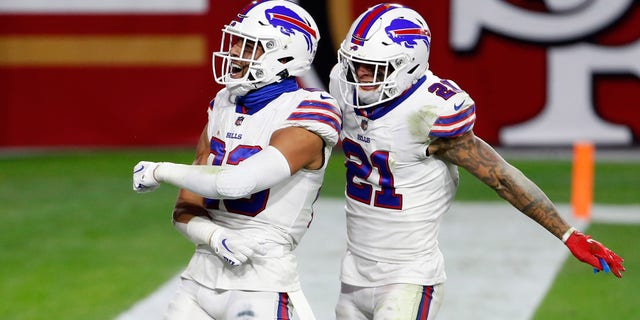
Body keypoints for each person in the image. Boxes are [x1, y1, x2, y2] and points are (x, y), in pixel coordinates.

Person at [328, 3, 625, 319]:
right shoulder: (343, 85)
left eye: (374, 68)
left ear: (408, 65)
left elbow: (500, 176)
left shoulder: (428, 111)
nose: (360, 75)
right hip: (353, 274)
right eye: (357, 64)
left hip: (407, 277)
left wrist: (567, 234)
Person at [132, 1, 341, 319]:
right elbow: (184, 210)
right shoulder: (224, 104)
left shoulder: (310, 111)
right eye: (235, 40)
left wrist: (160, 170)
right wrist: (215, 237)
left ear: (284, 55)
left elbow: (235, 183)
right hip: (198, 280)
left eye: (249, 45)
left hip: (261, 282)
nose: (234, 51)